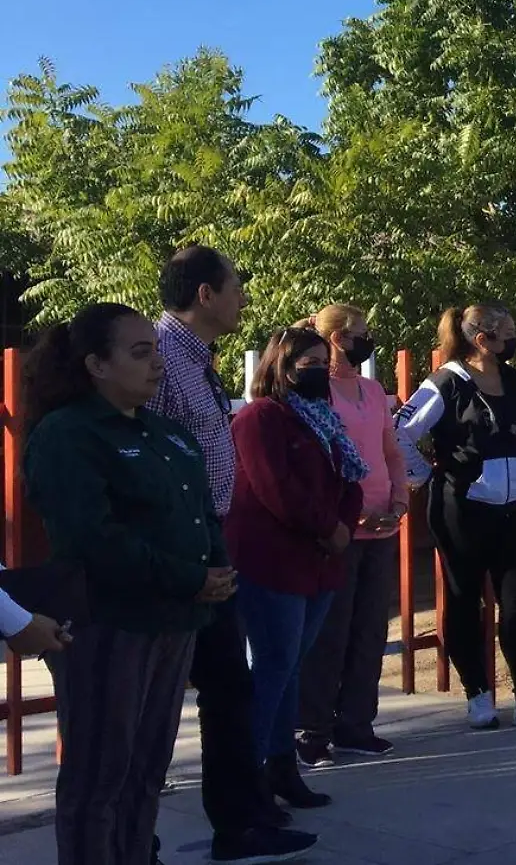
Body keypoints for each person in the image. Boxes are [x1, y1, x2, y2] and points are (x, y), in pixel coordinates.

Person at [23, 304, 228, 865]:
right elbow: (93, 538)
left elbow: (202, 510)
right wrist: (191, 577)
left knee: (146, 771)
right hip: (108, 625)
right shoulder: (68, 435)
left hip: (174, 620)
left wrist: (215, 568)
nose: (157, 363)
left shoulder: (165, 433)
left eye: (156, 349)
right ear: (96, 364)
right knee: (99, 777)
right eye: (140, 353)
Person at [151, 246, 318, 863]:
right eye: (236, 286)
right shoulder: (160, 358)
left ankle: (243, 823)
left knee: (229, 687)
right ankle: (134, 836)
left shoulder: (197, 359)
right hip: (178, 545)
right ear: (204, 295)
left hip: (210, 538)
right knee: (162, 695)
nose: (243, 297)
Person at [395, 304, 516, 730]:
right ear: (481, 339)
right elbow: (399, 430)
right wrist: (423, 476)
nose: (513, 339)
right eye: (507, 332)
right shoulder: (447, 383)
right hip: (462, 510)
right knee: (463, 601)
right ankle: (477, 694)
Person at [227, 326, 363, 813]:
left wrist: (343, 526)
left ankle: (283, 768)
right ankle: (250, 774)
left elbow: (352, 479)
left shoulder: (324, 418)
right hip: (273, 563)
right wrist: (329, 528)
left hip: (320, 564)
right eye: (305, 360)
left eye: (321, 360)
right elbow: (275, 490)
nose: (316, 369)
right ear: (280, 366)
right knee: (272, 669)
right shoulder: (259, 418)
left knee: (289, 670)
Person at [296, 305, 407, 767]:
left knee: (369, 631)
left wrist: (399, 501)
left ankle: (357, 724)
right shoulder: (313, 394)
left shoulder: (373, 390)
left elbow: (390, 451)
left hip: (383, 522)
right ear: (335, 339)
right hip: (339, 529)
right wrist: (347, 516)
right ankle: (312, 730)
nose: (366, 341)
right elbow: (315, 464)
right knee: (330, 633)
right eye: (358, 334)